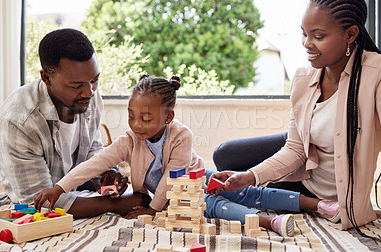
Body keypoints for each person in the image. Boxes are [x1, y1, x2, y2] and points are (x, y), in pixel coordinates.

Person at [34, 75, 340, 237]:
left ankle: (320, 205)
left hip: (191, 182)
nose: (136, 125)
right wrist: (59, 187)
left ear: (167, 118)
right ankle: (269, 223)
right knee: (217, 207)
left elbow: (173, 176)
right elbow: (95, 163)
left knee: (246, 192)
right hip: (179, 195)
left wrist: (153, 210)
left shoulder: (181, 135)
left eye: (146, 118)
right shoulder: (130, 140)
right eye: (131, 116)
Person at [210, 0, 381, 237]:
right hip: (305, 163)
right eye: (304, 34)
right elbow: (295, 150)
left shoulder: (375, 75)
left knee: (237, 189)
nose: (307, 44)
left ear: (351, 34)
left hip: (332, 191)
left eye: (318, 36)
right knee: (225, 157)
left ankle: (315, 205)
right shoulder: (304, 79)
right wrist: (251, 176)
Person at [0, 28, 148, 219]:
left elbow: (93, 148)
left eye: (94, 80)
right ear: (46, 78)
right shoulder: (19, 121)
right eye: (76, 86)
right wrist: (114, 204)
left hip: (71, 181)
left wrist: (102, 174)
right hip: (37, 193)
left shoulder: (89, 96)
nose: (89, 92)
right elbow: (39, 202)